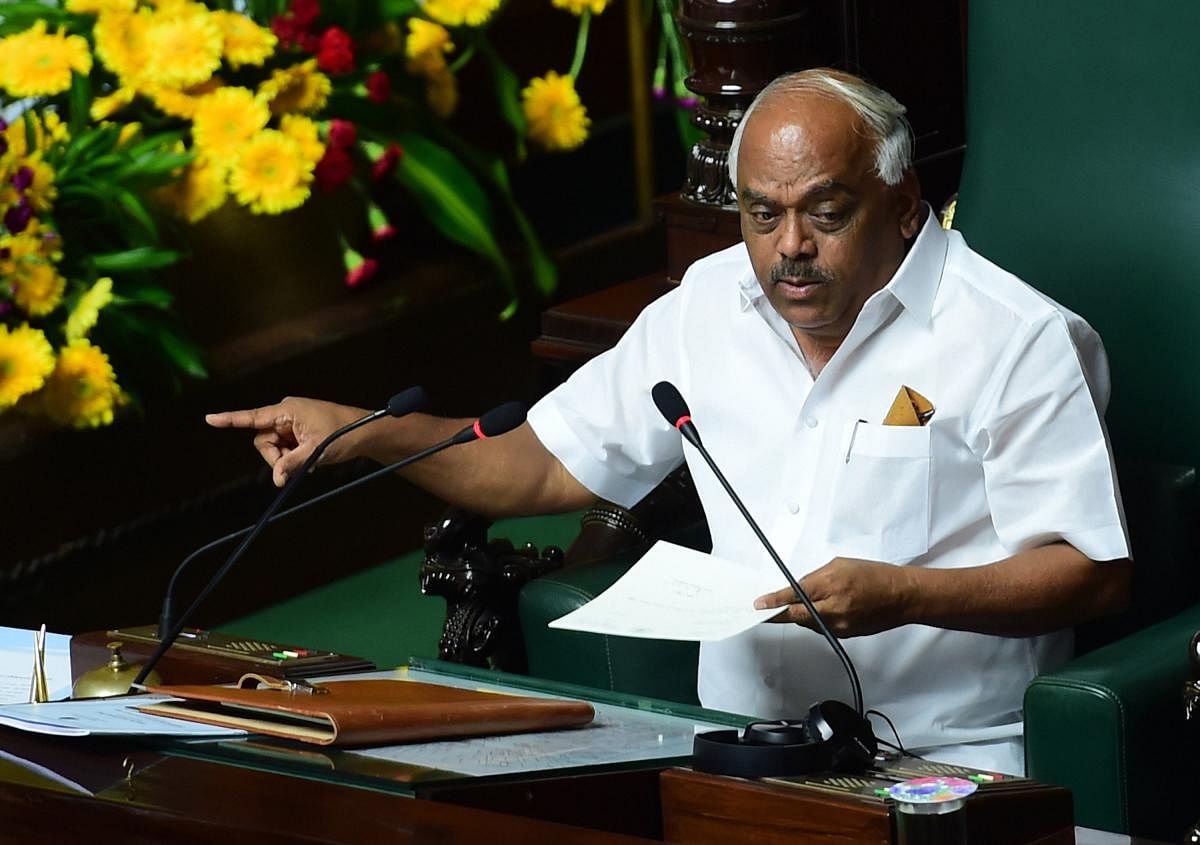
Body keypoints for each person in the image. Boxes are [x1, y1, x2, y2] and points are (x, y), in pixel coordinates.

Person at [207, 68, 1131, 775]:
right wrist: (365, 430)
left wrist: (903, 594)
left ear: (901, 205)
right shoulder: (706, 306)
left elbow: (1092, 574)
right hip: (732, 750)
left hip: (942, 762)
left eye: (825, 213)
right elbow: (539, 469)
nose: (788, 248)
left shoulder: (1015, 340)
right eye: (761, 215)